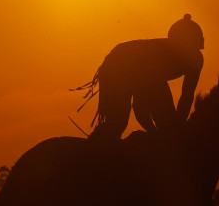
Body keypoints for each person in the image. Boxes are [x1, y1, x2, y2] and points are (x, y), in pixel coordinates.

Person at [73, 14, 204, 143]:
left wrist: (178, 127)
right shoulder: (158, 57)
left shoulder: (196, 60)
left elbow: (187, 96)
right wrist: (154, 132)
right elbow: (141, 105)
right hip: (117, 66)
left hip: (136, 68)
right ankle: (98, 148)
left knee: (169, 123)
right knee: (116, 123)